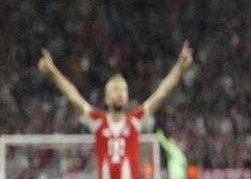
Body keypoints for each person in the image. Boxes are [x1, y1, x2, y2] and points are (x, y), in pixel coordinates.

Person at [38, 40, 193, 179]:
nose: (119, 93)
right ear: (106, 99)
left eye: (122, 90)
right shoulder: (97, 121)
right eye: (115, 90)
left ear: (127, 97)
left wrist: (179, 67)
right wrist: (53, 72)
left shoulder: (136, 120)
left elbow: (161, 93)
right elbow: (72, 95)